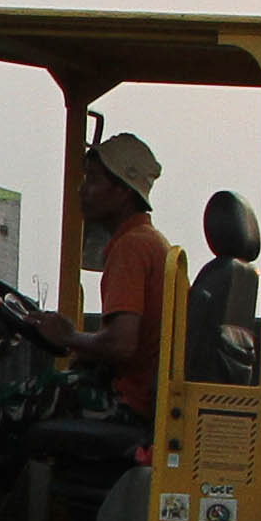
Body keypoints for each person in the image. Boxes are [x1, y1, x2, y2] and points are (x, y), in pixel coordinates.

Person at [39, 131, 169, 412]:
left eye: (94, 180)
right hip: (136, 396)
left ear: (122, 191)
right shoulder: (152, 242)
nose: (82, 189)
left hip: (126, 403)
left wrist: (68, 336)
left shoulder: (131, 248)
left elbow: (121, 344)